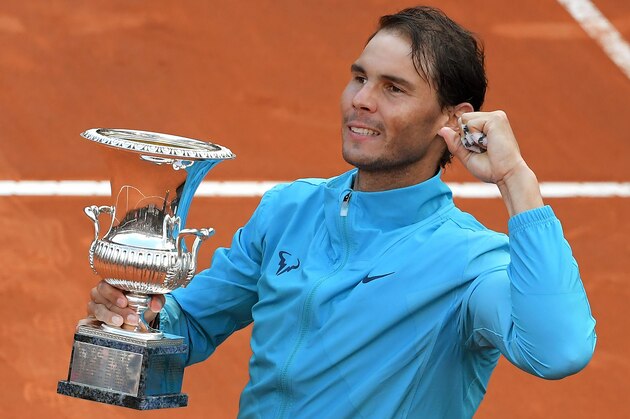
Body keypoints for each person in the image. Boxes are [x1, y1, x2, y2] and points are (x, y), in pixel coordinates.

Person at [87, 6, 596, 418]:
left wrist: (515, 181)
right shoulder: (289, 210)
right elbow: (191, 325)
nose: (362, 101)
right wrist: (137, 317)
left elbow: (558, 350)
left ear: (454, 119)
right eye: (359, 78)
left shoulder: (469, 264)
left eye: (393, 88)